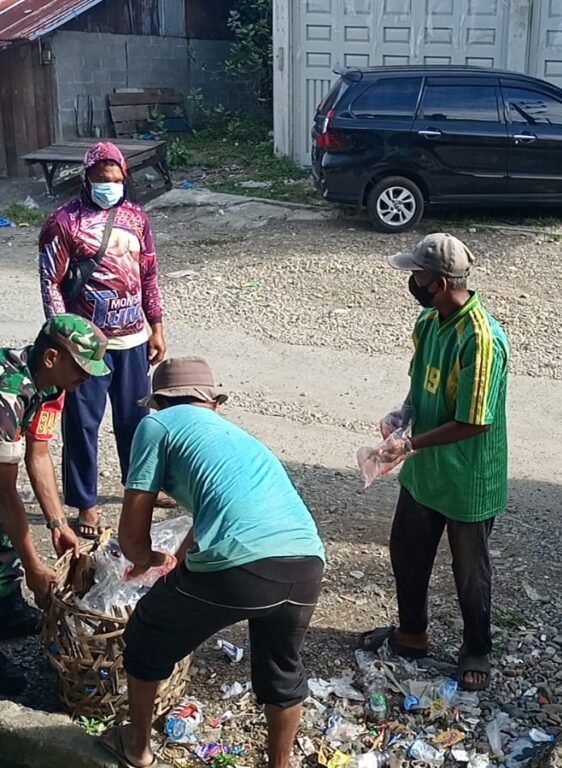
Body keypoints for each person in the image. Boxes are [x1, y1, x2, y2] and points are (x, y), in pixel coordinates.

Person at [99, 356, 325, 768]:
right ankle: (280, 764)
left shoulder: (157, 426)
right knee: (281, 671)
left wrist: (147, 558)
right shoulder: (236, 437)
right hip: (306, 562)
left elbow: (132, 537)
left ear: (158, 403)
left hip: (242, 568)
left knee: (147, 634)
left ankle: (137, 748)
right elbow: (215, 516)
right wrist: (177, 562)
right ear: (212, 402)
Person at [358, 233, 509, 691]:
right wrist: (401, 416)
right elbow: (420, 382)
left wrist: (410, 444)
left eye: (417, 275)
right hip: (425, 468)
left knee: (470, 572)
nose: (412, 281)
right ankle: (412, 633)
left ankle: (476, 648)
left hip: (468, 476)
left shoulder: (482, 339)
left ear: (440, 282)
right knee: (406, 551)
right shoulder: (429, 322)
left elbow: (475, 422)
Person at [38, 141, 172, 542]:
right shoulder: (64, 222)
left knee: (137, 423)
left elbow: (148, 274)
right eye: (101, 180)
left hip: (132, 338)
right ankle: (86, 504)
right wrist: (63, 337)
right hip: (85, 348)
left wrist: (157, 327)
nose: (108, 186)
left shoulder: (135, 218)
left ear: (124, 180)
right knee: (82, 426)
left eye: (115, 180)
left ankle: (143, 490)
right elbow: (51, 283)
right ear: (86, 178)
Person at [0, 314, 110, 694]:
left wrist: (57, 522)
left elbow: (39, 454)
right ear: (52, 358)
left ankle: (3, 605)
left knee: (9, 529)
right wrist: (33, 564)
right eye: (81, 368)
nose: (87, 379)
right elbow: (4, 493)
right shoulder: (8, 394)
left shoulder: (51, 387)